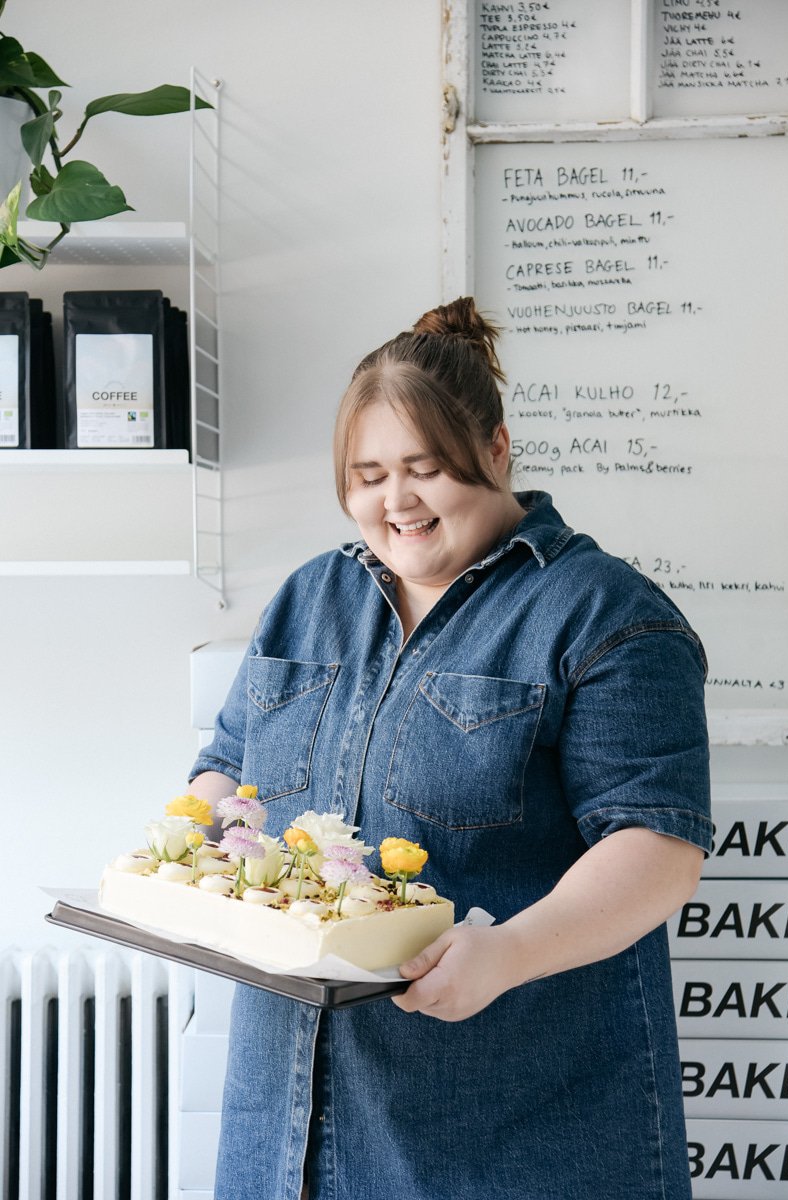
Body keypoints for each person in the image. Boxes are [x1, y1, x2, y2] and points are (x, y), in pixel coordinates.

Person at [189, 297, 711, 1200]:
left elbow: (656, 849)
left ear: (496, 450)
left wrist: (504, 953)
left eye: (423, 469)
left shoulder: (605, 613)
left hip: (508, 1124)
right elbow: (228, 772)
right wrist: (188, 861)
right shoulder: (312, 596)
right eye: (367, 475)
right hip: (284, 1120)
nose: (394, 501)